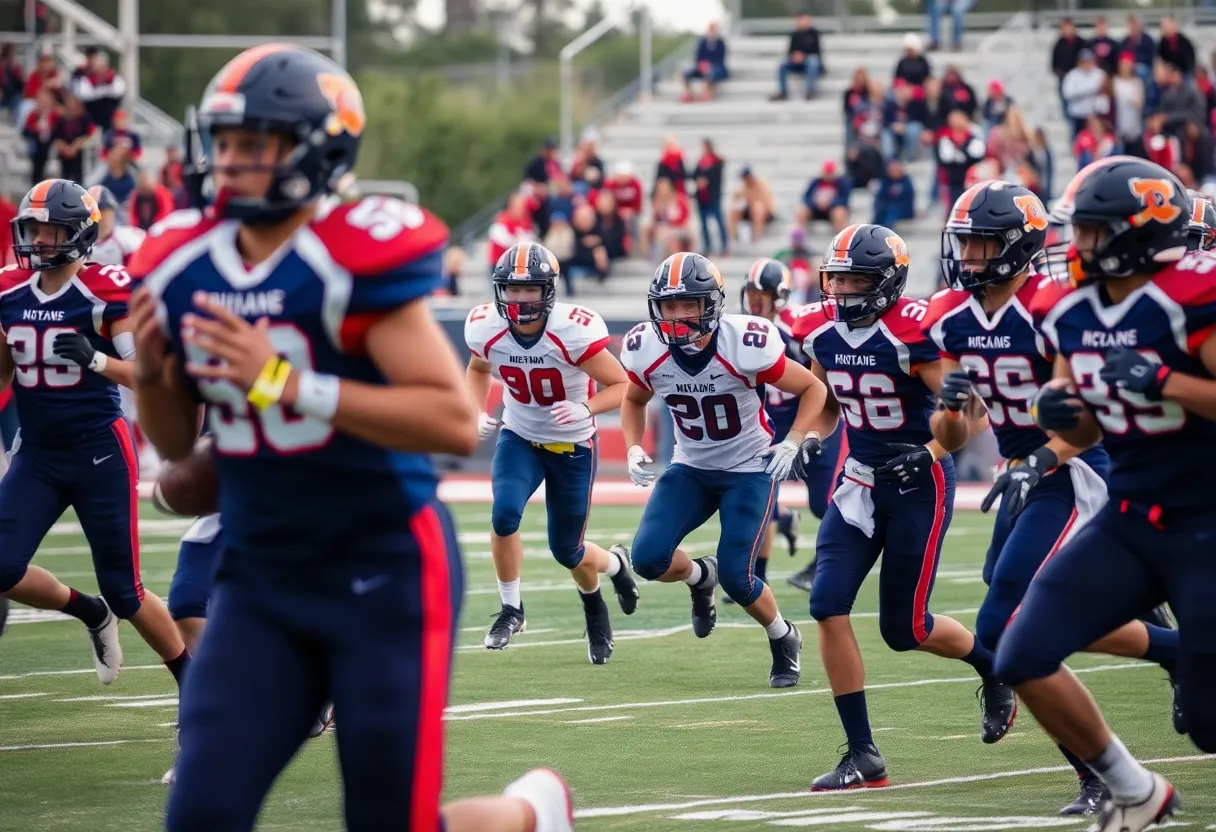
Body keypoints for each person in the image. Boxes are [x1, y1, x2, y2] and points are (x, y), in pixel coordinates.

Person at [127, 44, 572, 832]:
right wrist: (159, 374)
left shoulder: (349, 252)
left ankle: (532, 813)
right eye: (223, 142)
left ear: (316, 147)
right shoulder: (186, 259)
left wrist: (285, 383)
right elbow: (173, 442)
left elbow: (447, 420)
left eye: (253, 143)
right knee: (198, 814)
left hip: (382, 567)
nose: (229, 163)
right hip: (261, 569)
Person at [926, 179, 1182, 816]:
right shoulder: (954, 316)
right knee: (1012, 603)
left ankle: (1101, 775)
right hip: (1026, 472)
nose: (970, 258)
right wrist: (952, 408)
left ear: (1018, 245)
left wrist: (1044, 456)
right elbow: (961, 430)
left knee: (1006, 624)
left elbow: (1089, 411)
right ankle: (1176, 651)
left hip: (1073, 468)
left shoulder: (1054, 305)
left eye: (984, 245)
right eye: (967, 244)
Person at [996, 156, 1216, 831]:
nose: (1076, 247)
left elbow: (1163, 387)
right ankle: (1135, 789)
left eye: (1090, 233)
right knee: (1021, 653)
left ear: (1136, 234)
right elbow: (1081, 413)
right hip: (1131, 515)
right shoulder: (1071, 309)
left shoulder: (1192, 297)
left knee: (1208, 723)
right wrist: (1058, 411)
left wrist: (1163, 382)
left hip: (1206, 519)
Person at [791, 223, 1016, 790]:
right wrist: (810, 437)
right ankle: (863, 754)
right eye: (836, 278)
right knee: (825, 603)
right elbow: (822, 399)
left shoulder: (915, 332)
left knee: (905, 629)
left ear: (887, 282)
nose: (842, 291)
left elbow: (972, 414)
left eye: (856, 279)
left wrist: (932, 449)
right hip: (859, 481)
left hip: (919, 484)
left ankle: (992, 665)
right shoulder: (821, 330)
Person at [0, 176, 188, 693]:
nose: (37, 241)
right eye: (32, 229)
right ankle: (89, 612)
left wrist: (96, 358)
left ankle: (192, 685)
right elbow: (3, 372)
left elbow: (149, 374)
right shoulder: (8, 290)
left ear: (79, 234)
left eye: (50, 231)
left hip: (99, 451)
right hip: (38, 452)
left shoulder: (106, 288)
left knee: (127, 590)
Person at [620, 252, 827, 688]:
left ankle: (782, 635)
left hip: (749, 467)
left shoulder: (744, 342)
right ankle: (700, 576)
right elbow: (634, 399)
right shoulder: (647, 349)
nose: (676, 317)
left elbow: (813, 387)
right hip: (691, 466)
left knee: (739, 576)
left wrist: (793, 441)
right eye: (668, 306)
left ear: (711, 304)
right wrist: (635, 447)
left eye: (687, 305)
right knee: (646, 558)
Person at [465, 242, 638, 663]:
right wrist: (473, 410)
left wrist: (584, 407)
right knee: (504, 515)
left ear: (549, 290)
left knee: (569, 551)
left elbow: (623, 387)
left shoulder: (573, 330)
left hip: (573, 445)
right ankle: (511, 609)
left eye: (530, 291)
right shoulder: (486, 326)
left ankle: (610, 573)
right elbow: (477, 369)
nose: (520, 300)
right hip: (520, 436)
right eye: (512, 290)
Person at [735, 258, 844, 600]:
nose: (754, 300)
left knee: (822, 502)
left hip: (811, 417)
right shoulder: (739, 328)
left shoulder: (798, 325)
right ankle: (758, 577)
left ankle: (825, 564)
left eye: (762, 294)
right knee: (760, 498)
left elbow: (821, 377)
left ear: (779, 296)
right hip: (770, 421)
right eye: (751, 292)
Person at [87, 184, 144, 267]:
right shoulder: (78, 243)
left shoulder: (126, 239)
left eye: (101, 210)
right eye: (91, 212)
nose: (98, 217)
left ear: (111, 212)